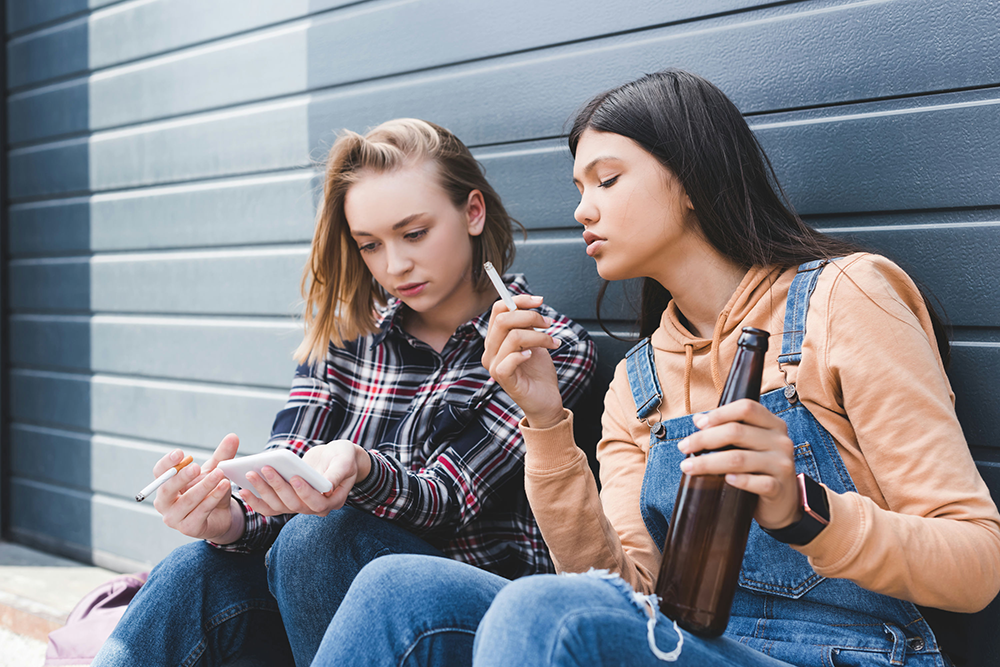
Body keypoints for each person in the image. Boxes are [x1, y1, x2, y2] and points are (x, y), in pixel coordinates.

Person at [311, 70, 1000, 667]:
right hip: (687, 647)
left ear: (693, 177)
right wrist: (545, 420)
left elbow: (977, 562)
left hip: (851, 649)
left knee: (542, 613)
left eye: (607, 179)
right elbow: (619, 588)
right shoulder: (636, 383)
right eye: (579, 185)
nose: (582, 208)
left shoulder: (846, 296)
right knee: (396, 589)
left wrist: (803, 508)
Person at [91, 118, 596, 667]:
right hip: (323, 611)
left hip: (463, 621)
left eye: (415, 233)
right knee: (198, 568)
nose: (394, 265)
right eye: (370, 245)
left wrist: (360, 467)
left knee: (321, 537)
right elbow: (285, 482)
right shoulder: (343, 338)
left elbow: (446, 501)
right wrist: (228, 519)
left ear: (472, 212)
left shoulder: (545, 345)